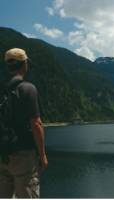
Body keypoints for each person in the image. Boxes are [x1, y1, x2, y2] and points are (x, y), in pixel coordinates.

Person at [0, 48, 48, 198]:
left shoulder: (2, 90)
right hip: (24, 155)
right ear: (24, 64)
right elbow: (36, 124)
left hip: (3, 153)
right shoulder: (28, 88)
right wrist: (42, 155)